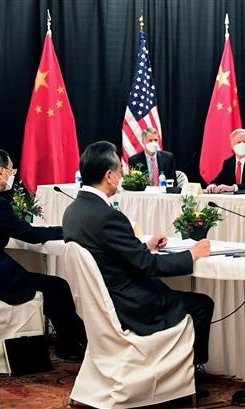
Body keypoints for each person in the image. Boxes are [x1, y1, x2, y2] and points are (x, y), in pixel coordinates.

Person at [62, 141, 214, 368]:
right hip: (128, 304)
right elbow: (148, 266)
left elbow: (108, 253)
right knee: (202, 304)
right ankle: (189, 374)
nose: (123, 175)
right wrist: (191, 254)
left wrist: (146, 246)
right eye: (121, 170)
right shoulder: (107, 216)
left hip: (101, 303)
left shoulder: (72, 211)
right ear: (109, 176)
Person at [0, 148, 86, 360]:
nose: (12, 176)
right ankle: (71, 346)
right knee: (57, 287)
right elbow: (30, 235)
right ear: (0, 172)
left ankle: (70, 343)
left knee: (50, 286)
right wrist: (68, 230)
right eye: (11, 171)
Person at [205, 128, 245, 192]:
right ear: (231, 145)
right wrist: (213, 185)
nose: (242, 144)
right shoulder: (228, 162)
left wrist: (234, 188)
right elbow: (219, 179)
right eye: (238, 142)